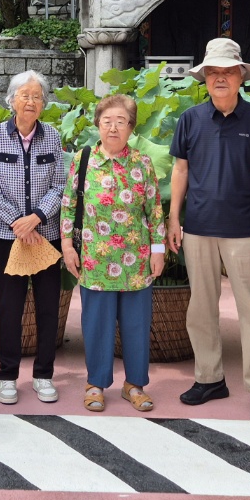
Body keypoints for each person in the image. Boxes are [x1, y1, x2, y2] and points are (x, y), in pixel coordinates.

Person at [168, 37, 250, 421]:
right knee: (200, 309)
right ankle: (209, 378)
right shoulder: (191, 120)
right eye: (213, 72)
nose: (220, 78)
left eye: (227, 72)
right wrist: (173, 217)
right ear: (204, 78)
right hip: (199, 227)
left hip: (246, 229)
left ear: (240, 77)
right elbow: (180, 170)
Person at [61, 94, 166, 413]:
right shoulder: (83, 159)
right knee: (96, 325)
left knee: (136, 326)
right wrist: (68, 245)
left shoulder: (142, 163)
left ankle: (134, 384)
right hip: (95, 260)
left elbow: (155, 211)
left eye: (121, 121)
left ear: (131, 127)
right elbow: (69, 205)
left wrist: (158, 250)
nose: (113, 127)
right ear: (98, 125)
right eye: (107, 121)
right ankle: (96, 383)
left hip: (136, 261)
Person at [0, 70, 66, 404]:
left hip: (45, 233)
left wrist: (36, 218)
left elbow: (60, 185)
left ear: (44, 103)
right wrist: (18, 222)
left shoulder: (54, 138)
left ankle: (44, 375)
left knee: (48, 306)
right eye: (24, 95)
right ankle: (7, 376)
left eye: (37, 96)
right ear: (12, 99)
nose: (30, 101)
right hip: (9, 235)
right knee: (9, 307)